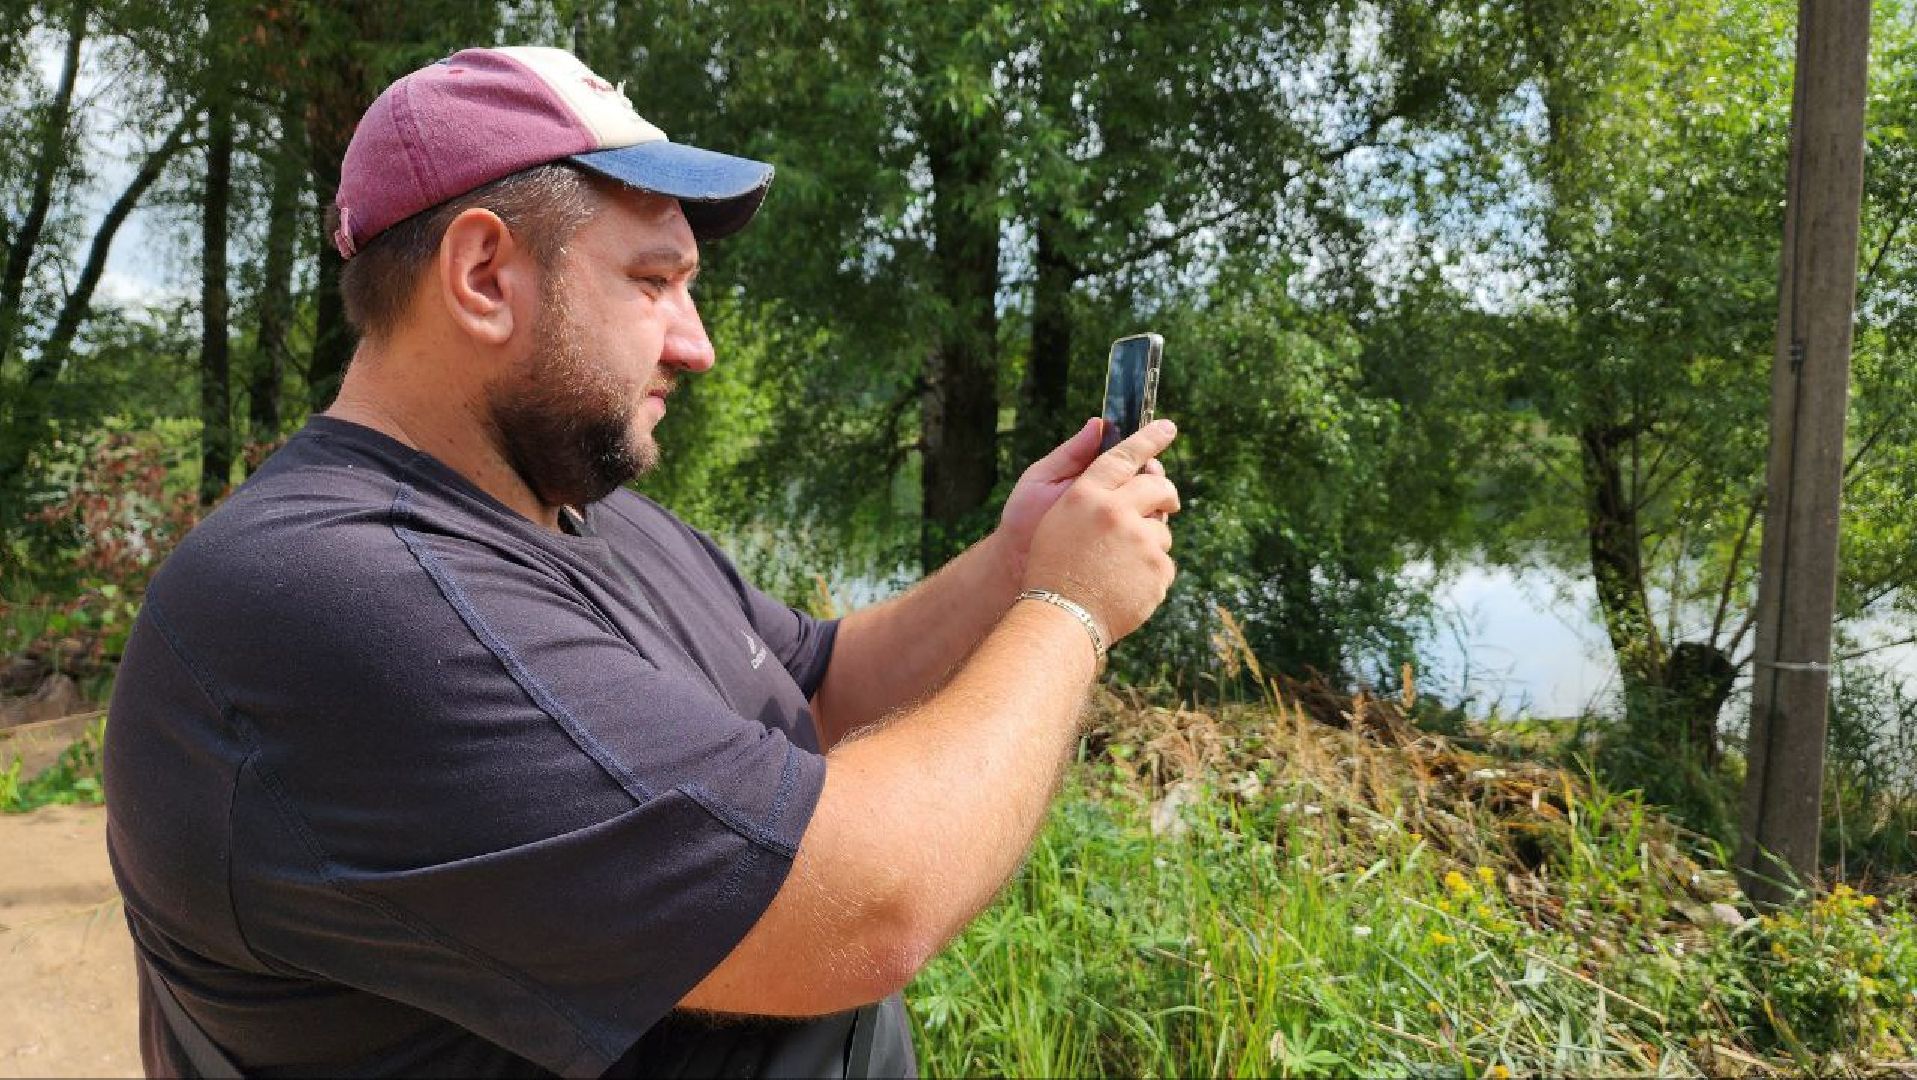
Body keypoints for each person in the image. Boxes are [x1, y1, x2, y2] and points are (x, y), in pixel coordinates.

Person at [103, 46, 1179, 1077]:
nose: (695, 342)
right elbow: (869, 909)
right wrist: (1068, 606)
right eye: (656, 280)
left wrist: (1010, 562)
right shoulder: (332, 602)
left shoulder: (579, 510)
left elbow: (823, 683)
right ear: (484, 275)